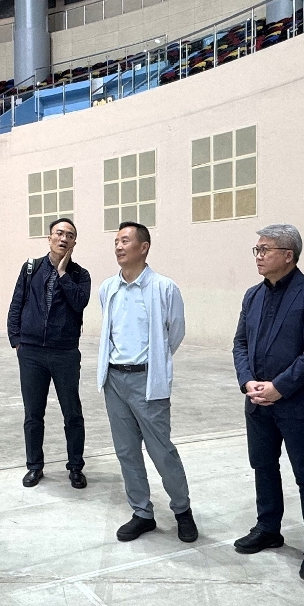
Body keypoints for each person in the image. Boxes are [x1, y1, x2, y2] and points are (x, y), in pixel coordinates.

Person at [232, 225, 304, 581]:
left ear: (288, 255)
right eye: (257, 249)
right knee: (263, 467)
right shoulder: (252, 295)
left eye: (265, 249)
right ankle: (268, 527)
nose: (259, 255)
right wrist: (248, 381)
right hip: (257, 401)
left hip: (297, 403)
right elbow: (240, 343)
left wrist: (279, 387)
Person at [97, 221, 197, 543]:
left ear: (144, 247)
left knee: (162, 451)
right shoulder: (108, 288)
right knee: (126, 452)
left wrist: (154, 363)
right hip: (114, 380)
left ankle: (182, 510)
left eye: (125, 240)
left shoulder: (164, 288)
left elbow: (174, 332)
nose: (118, 246)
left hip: (146, 381)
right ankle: (142, 512)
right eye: (116, 241)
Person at [6, 217, 91, 489]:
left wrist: (63, 273)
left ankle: (75, 467)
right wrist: (17, 341)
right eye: (59, 233)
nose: (63, 238)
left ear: (74, 242)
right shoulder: (31, 268)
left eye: (69, 235)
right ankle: (34, 466)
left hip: (65, 353)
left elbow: (79, 303)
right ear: (49, 238)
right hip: (31, 353)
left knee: (72, 413)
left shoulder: (80, 275)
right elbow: (17, 304)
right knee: (33, 414)